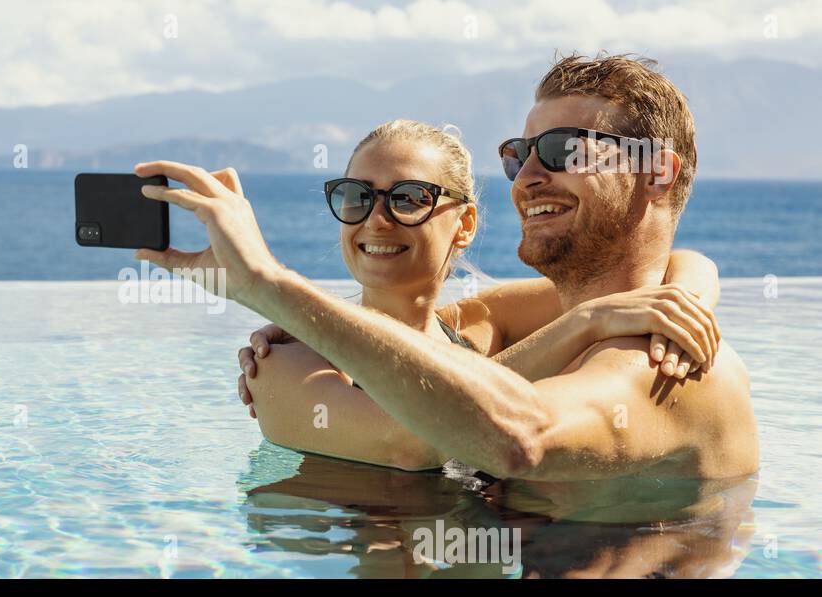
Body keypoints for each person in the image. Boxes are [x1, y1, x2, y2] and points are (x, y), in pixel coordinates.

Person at [133, 53, 758, 481]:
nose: (529, 178)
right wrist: (314, 328)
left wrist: (269, 287)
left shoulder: (665, 362)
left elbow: (510, 438)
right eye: (519, 155)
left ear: (656, 170)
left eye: (566, 151)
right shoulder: (566, 320)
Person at [231, 119, 721, 472]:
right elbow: (409, 443)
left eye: (407, 199)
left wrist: (684, 301)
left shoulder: (482, 326)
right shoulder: (286, 362)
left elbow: (660, 276)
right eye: (357, 196)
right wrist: (583, 323)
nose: (376, 219)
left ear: (463, 224)